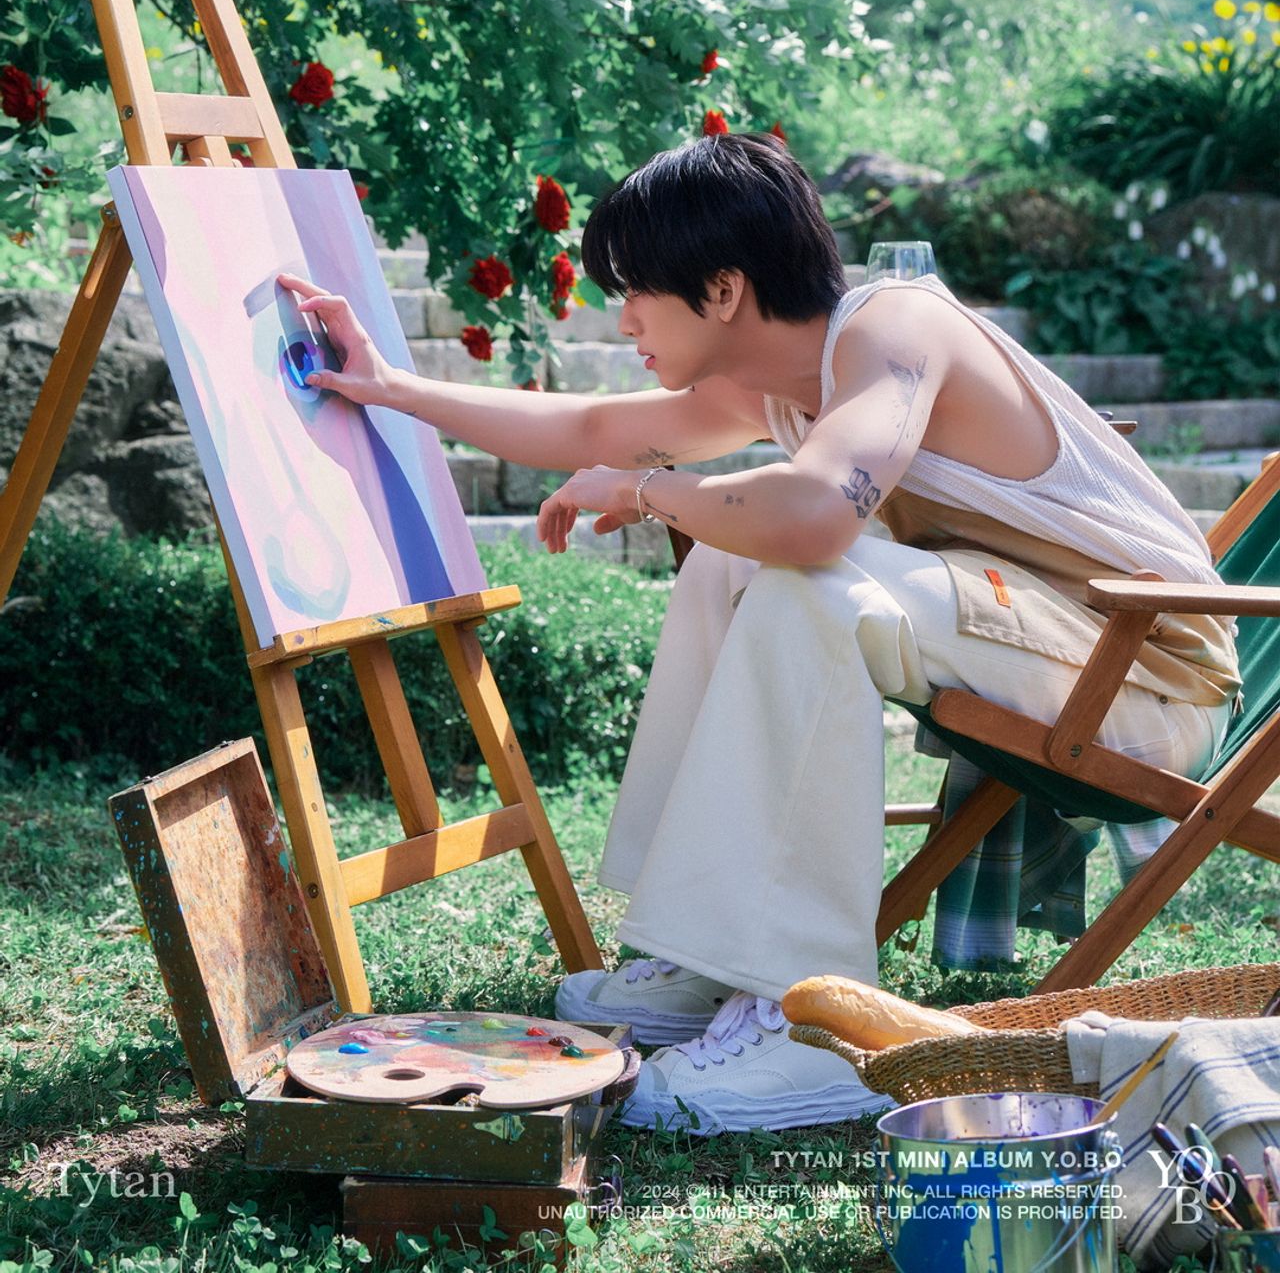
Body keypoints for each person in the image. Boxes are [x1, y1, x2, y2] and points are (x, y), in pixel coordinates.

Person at [279, 132, 1241, 1137]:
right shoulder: (785, 383)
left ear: (724, 289)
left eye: (637, 291)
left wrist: (649, 492)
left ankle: (809, 1021)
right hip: (1054, 644)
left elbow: (817, 515)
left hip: (1144, 678)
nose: (623, 318)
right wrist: (387, 385)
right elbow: (596, 430)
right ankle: (705, 953)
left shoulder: (896, 326)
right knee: (729, 559)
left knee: (807, 583)